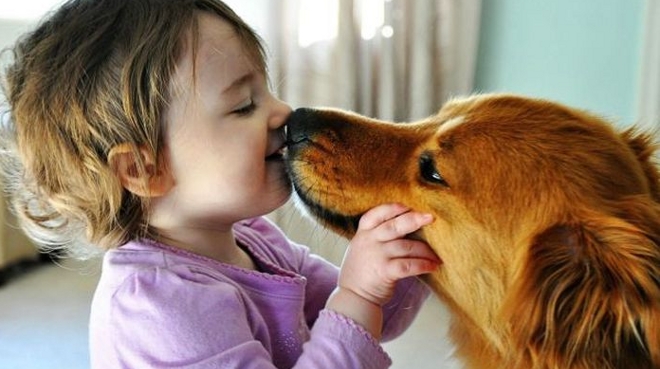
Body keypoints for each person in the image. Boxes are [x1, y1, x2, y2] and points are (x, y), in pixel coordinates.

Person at [0, 0, 441, 368]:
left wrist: (396, 260)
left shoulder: (256, 241)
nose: (284, 111)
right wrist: (358, 295)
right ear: (141, 170)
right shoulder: (157, 307)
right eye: (244, 106)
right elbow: (356, 309)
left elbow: (379, 314)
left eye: (267, 92)